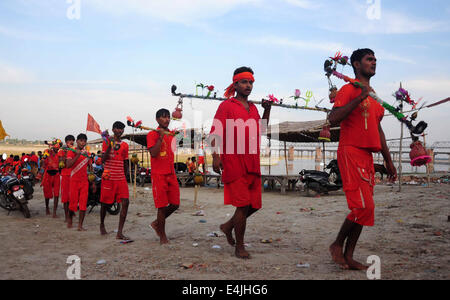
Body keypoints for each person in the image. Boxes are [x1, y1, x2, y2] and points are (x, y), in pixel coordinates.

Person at [328, 48, 397, 270]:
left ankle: (349, 255)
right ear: (356, 64)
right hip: (350, 150)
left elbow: (379, 130)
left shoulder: (374, 95)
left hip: (367, 155)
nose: (374, 62)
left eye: (376, 59)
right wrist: (360, 97)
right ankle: (337, 245)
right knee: (362, 207)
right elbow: (333, 117)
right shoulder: (349, 89)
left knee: (366, 210)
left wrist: (389, 160)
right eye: (369, 59)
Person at [209, 66, 272, 259]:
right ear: (235, 84)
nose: (248, 85)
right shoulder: (227, 106)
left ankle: (228, 227)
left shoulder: (253, 108)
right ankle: (239, 247)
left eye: (251, 82)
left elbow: (261, 130)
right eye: (244, 82)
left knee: (255, 204)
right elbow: (215, 132)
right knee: (243, 205)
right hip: (234, 160)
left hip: (252, 160)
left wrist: (267, 110)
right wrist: (215, 156)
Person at [147, 109, 180, 244]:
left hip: (171, 173)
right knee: (161, 206)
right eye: (163, 117)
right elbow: (154, 153)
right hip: (159, 174)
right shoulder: (152, 134)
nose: (167, 119)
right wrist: (160, 137)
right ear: (157, 120)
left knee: (175, 204)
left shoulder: (171, 134)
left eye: (168, 117)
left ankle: (156, 224)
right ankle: (162, 236)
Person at [99, 121, 131, 240]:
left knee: (126, 203)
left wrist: (127, 174)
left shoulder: (125, 145)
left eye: (122, 129)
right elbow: (103, 159)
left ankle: (120, 232)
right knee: (105, 203)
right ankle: (102, 224)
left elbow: (125, 161)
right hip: (108, 177)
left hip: (121, 178)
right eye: (118, 128)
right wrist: (109, 145)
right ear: (113, 130)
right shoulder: (106, 142)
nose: (120, 131)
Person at [65, 134, 91, 231]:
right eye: (80, 140)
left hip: (84, 181)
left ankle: (80, 225)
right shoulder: (71, 152)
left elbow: (90, 167)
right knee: (73, 203)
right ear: (77, 141)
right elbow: (68, 165)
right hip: (74, 181)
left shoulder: (87, 153)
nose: (82, 143)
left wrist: (92, 181)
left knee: (83, 204)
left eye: (84, 141)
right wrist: (78, 155)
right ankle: (70, 219)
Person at [42, 140, 62, 217]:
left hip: (56, 175)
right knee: (47, 193)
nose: (57, 149)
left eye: (58, 148)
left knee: (56, 194)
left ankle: (54, 212)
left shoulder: (59, 154)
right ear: (53, 147)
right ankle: (47, 208)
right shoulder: (47, 152)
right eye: (56, 148)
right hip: (48, 175)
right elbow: (43, 161)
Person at [58, 135, 75, 223]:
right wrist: (66, 152)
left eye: (72, 140)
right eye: (69, 140)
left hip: (73, 175)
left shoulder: (74, 150)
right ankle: (66, 216)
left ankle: (71, 214)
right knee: (65, 197)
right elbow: (61, 163)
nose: (71, 142)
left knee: (72, 196)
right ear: (66, 141)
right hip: (65, 175)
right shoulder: (61, 151)